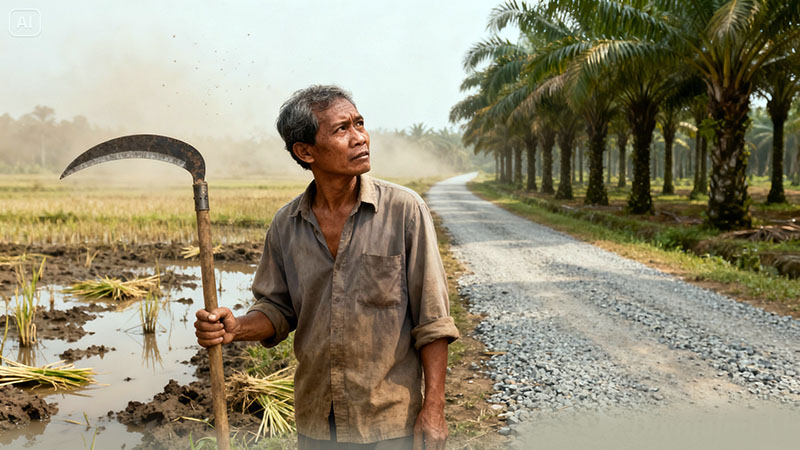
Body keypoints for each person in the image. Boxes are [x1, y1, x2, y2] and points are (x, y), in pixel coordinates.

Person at [194, 85, 459, 449]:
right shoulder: (287, 225)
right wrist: (236, 327)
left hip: (390, 421)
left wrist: (435, 408)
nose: (360, 137)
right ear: (305, 152)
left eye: (359, 124)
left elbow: (433, 320)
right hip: (317, 420)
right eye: (341, 129)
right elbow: (277, 308)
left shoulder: (404, 212)